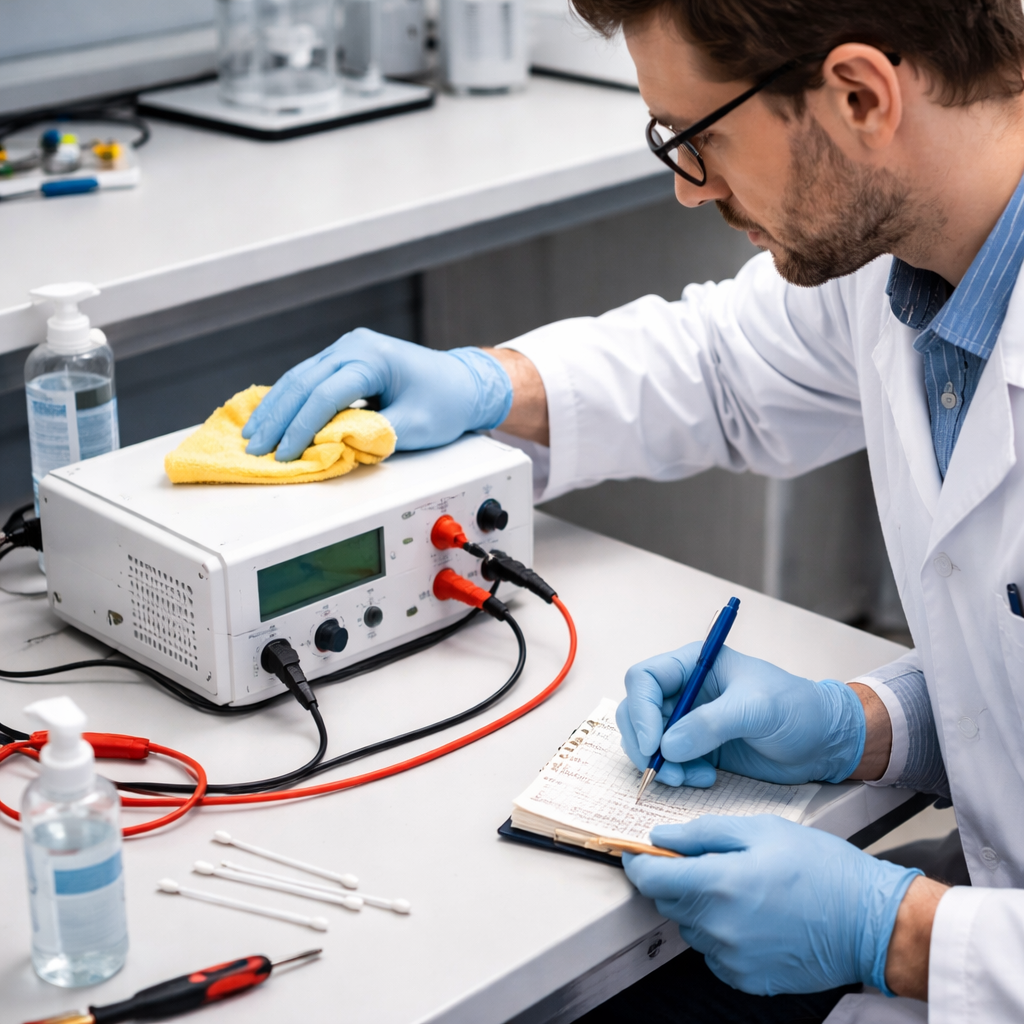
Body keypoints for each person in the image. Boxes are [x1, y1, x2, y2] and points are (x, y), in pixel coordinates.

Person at [241, 1, 1024, 1020]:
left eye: (699, 137)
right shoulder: (912, 254)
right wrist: (876, 726)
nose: (688, 186)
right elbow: (725, 362)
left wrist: (902, 934)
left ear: (861, 97)